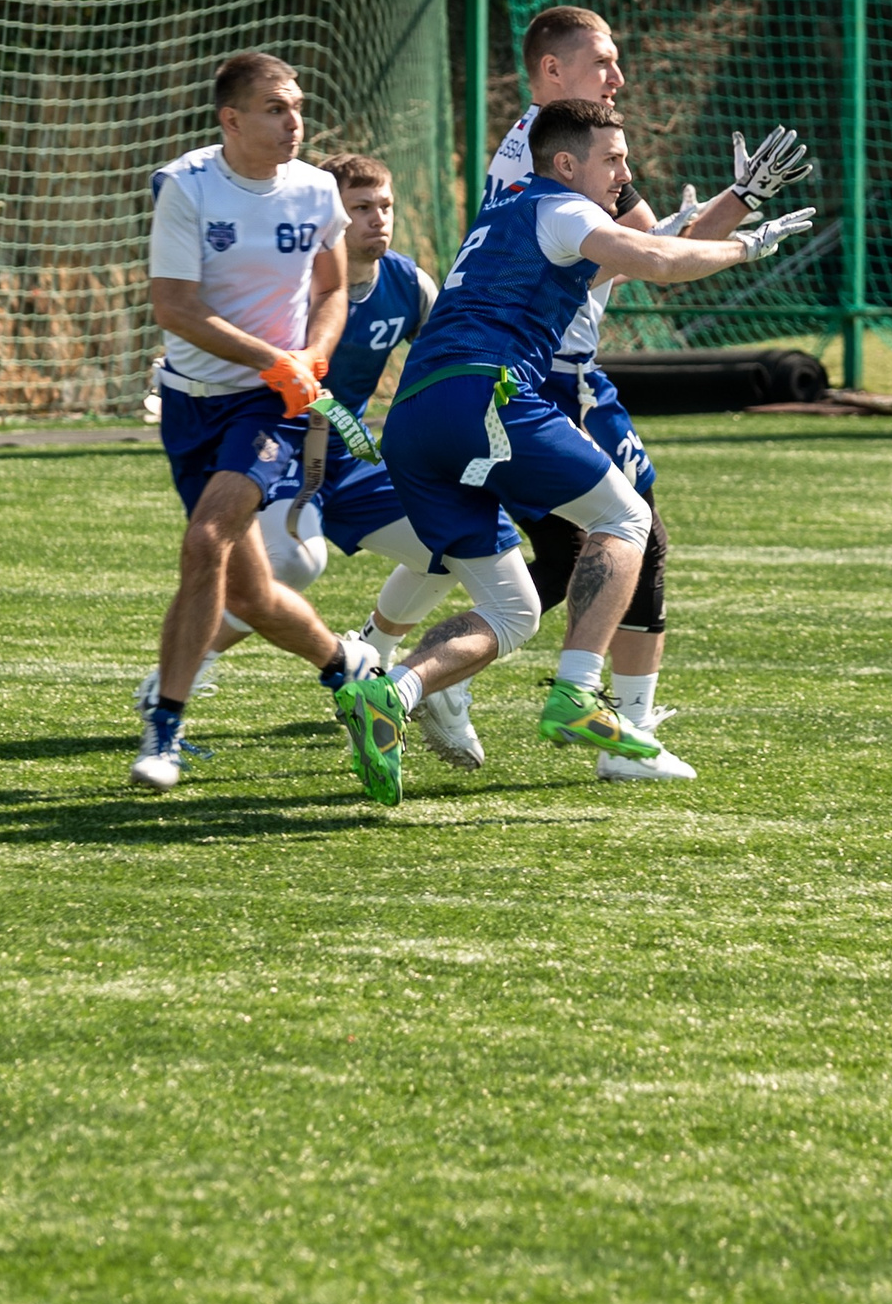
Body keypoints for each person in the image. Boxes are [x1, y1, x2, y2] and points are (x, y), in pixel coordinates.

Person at [331, 98, 814, 807]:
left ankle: (391, 692)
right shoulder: (561, 207)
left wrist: (729, 208)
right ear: (565, 162)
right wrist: (750, 244)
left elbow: (641, 259)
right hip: (487, 397)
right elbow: (653, 257)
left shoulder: (512, 213)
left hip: (413, 419)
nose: (623, 173)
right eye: (613, 158)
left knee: (514, 610)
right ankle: (578, 695)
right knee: (627, 518)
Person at [481, 5, 815, 783]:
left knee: (561, 558)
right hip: (550, 376)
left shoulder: (564, 144)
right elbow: (650, 261)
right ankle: (619, 730)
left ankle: (419, 676)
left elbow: (661, 249)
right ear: (552, 70)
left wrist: (736, 201)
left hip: (536, 372)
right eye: (602, 60)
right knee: (639, 534)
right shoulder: (556, 157)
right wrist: (742, 222)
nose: (619, 75)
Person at [132, 152, 486, 771]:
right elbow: (212, 327)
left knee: (452, 543)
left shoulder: (409, 284)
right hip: (285, 444)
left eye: (385, 207)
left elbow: (445, 367)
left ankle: (398, 667)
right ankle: (184, 672)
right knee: (291, 563)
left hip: (350, 456)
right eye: (360, 209)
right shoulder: (288, 286)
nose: (377, 220)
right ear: (329, 218)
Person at [134, 52, 381, 790]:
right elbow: (174, 306)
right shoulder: (187, 187)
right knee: (246, 592)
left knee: (206, 535)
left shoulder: (315, 191)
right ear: (232, 119)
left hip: (267, 405)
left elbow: (333, 288)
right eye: (276, 108)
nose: (294, 121)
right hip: (191, 403)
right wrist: (278, 358)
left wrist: (310, 357)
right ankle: (348, 664)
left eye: (298, 105)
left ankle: (164, 727)